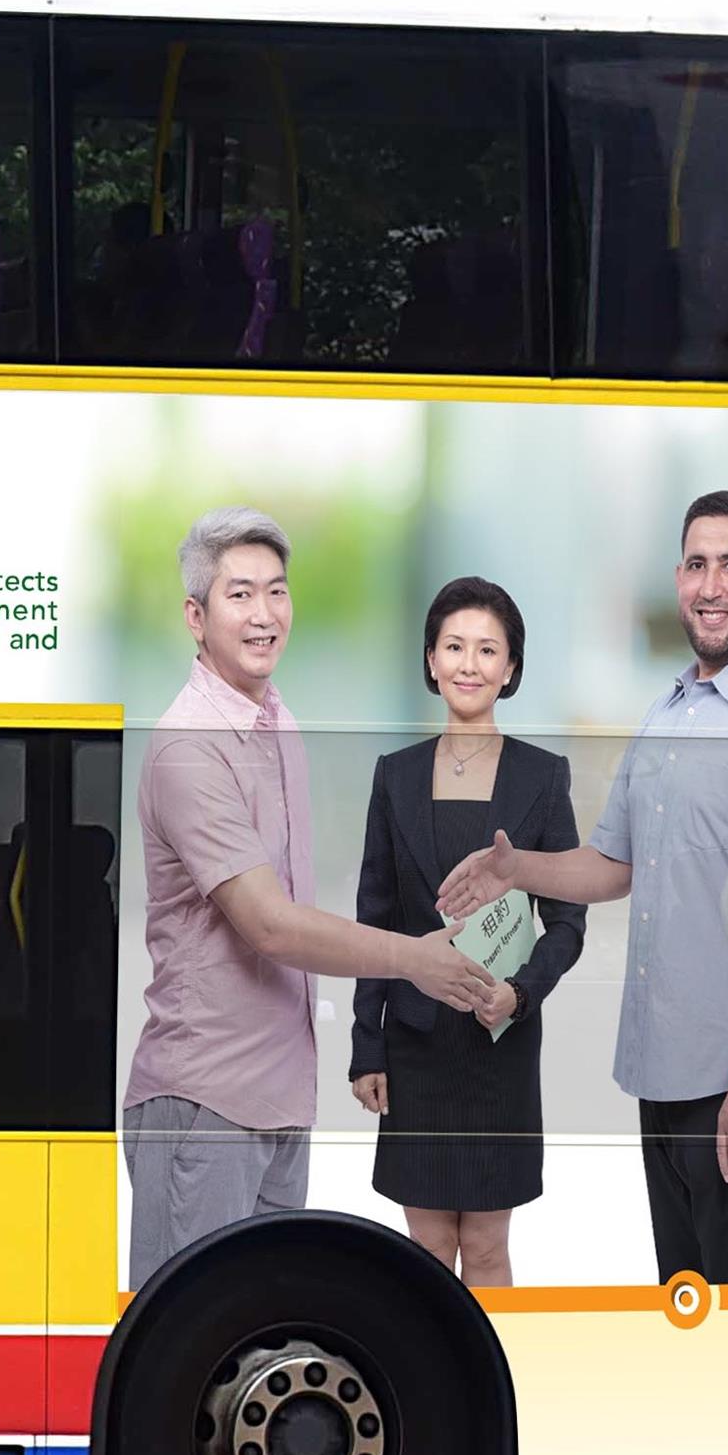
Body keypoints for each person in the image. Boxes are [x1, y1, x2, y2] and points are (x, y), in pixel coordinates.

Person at [442, 490, 728, 1285]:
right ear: (678, 579)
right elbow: (615, 865)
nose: (712, 584)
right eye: (697, 564)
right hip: (664, 1080)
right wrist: (518, 869)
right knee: (687, 1325)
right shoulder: (668, 714)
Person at [127, 508, 503, 1288]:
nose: (264, 615)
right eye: (239, 596)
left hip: (279, 1097)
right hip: (207, 1103)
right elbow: (269, 924)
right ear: (196, 617)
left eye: (276, 592)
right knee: (187, 1343)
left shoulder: (279, 722)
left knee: (257, 1341)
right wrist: (414, 963)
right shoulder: (190, 749)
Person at [348, 578, 586, 1287]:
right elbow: (376, 918)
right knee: (422, 1253)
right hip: (416, 1043)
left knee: (485, 1246)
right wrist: (368, 1044)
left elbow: (569, 921)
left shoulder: (542, 778)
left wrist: (519, 994)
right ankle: (429, 1397)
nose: (469, 663)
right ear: (430, 659)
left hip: (498, 1045)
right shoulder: (395, 777)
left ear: (510, 668)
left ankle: (491, 1397)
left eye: (488, 649)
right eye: (454, 646)